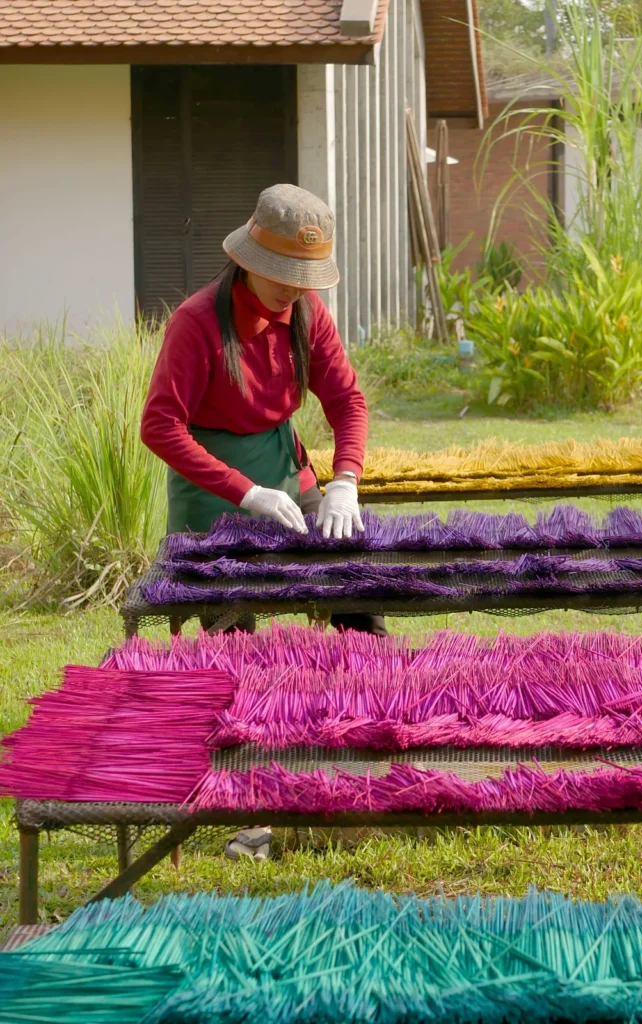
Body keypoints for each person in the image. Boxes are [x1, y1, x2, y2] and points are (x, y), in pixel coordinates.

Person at [141, 183, 385, 860]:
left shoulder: (309, 316)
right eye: (281, 276)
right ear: (248, 259)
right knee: (232, 647)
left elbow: (349, 402)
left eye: (302, 280)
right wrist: (245, 493)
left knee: (358, 600)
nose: (292, 291)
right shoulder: (197, 322)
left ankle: (360, 773)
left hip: (290, 476)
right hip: (214, 495)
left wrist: (345, 481)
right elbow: (159, 426)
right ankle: (242, 805)